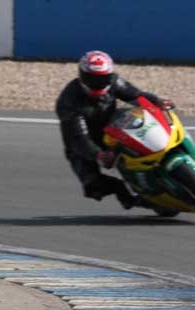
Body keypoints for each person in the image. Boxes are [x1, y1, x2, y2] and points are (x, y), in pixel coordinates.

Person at [55, 50, 174, 209]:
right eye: (92, 78)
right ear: (82, 76)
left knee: (144, 131)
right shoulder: (68, 101)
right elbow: (78, 137)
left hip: (113, 128)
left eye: (103, 78)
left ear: (109, 75)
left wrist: (157, 101)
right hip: (84, 143)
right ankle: (125, 195)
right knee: (93, 186)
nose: (97, 83)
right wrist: (98, 154)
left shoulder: (114, 82)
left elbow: (137, 96)